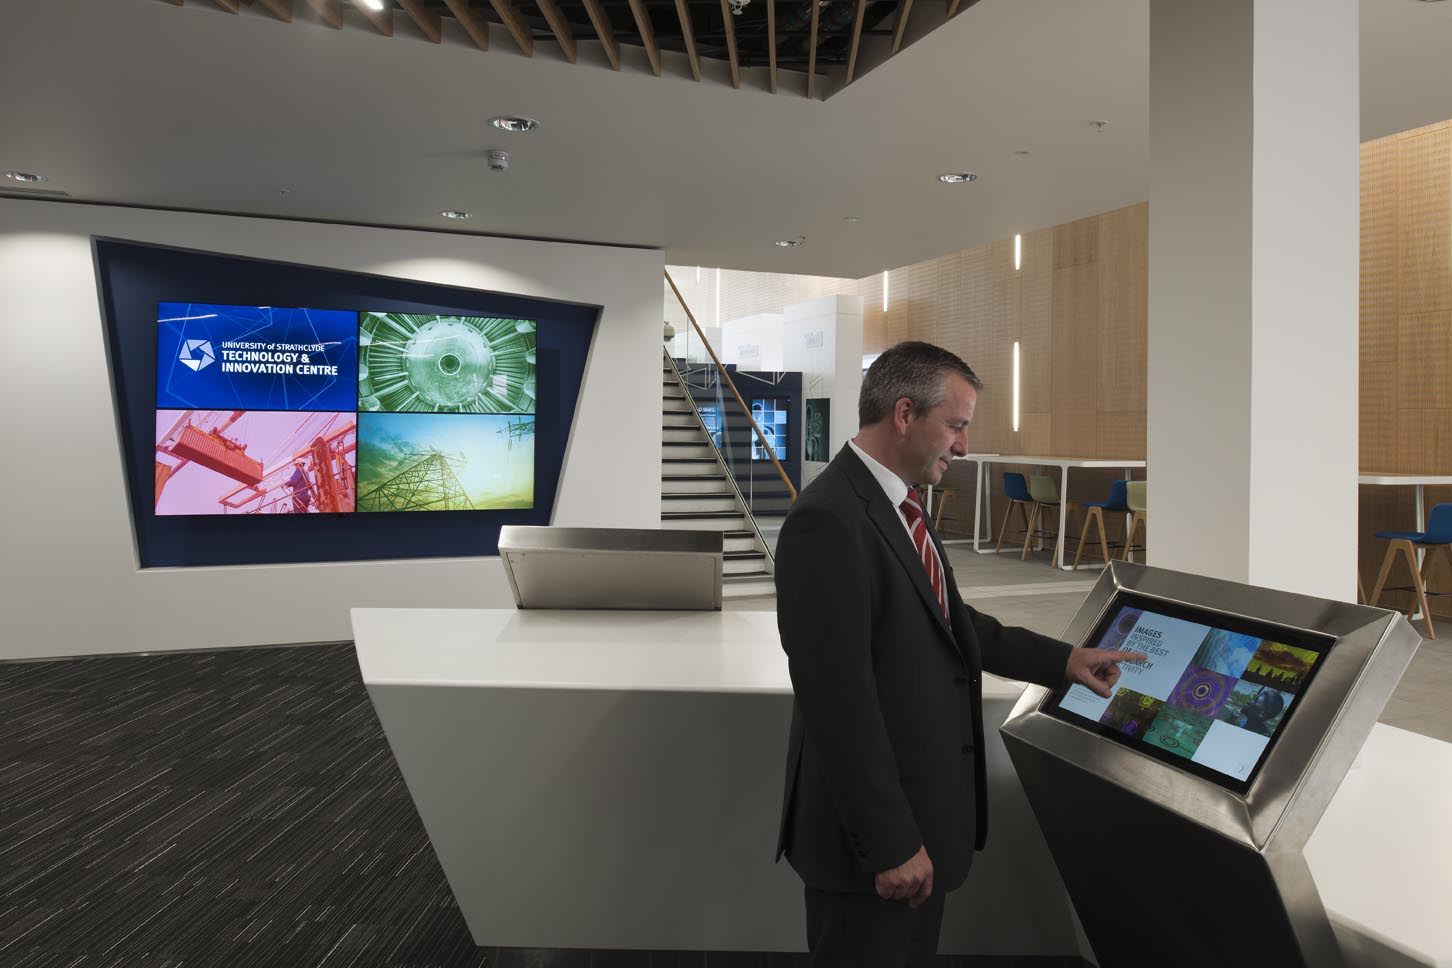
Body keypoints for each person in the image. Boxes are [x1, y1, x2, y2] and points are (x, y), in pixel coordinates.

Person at [773, 341, 1141, 967]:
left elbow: (949, 622)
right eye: (958, 425)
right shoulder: (828, 520)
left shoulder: (897, 504)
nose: (965, 446)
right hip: (877, 849)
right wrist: (889, 843)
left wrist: (1064, 661)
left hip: (919, 827)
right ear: (905, 413)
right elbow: (839, 704)